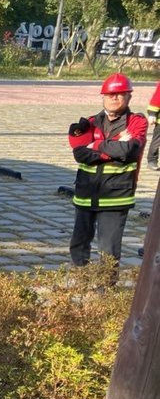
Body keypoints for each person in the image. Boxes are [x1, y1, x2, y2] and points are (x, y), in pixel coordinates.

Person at [67, 73, 147, 269]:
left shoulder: (137, 122)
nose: (114, 98)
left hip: (116, 196)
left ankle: (105, 291)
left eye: (120, 94)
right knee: (78, 244)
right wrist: (112, 148)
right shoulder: (90, 122)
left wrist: (95, 145)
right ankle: (80, 280)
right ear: (102, 96)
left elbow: (128, 151)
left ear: (129, 97)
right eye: (110, 94)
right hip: (86, 193)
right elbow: (79, 154)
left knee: (109, 250)